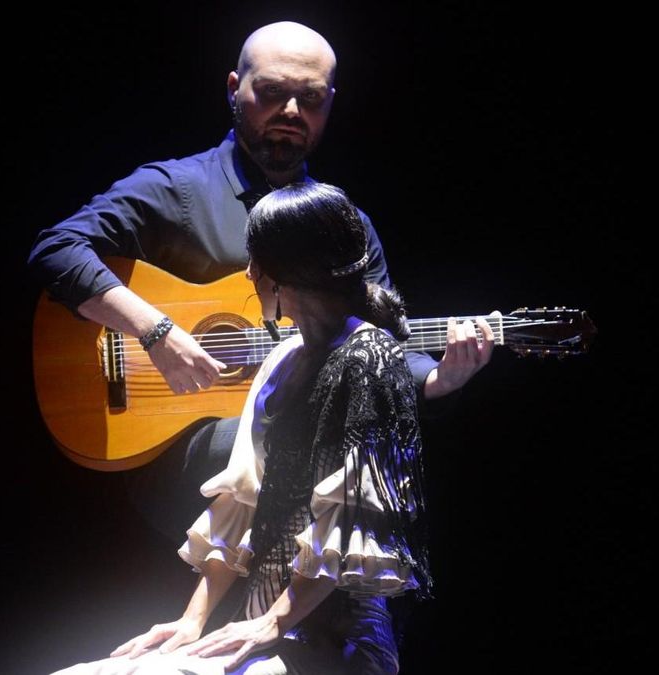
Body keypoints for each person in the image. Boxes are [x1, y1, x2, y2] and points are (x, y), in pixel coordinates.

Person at [27, 21, 492, 541]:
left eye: (311, 98)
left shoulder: (347, 227)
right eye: (272, 93)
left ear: (330, 103)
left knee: (345, 443)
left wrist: (439, 381)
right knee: (297, 438)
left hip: (284, 456)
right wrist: (156, 332)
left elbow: (383, 341)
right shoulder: (177, 189)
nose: (292, 112)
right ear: (235, 89)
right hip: (184, 452)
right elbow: (56, 250)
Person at [55, 182, 486, 675]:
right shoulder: (283, 356)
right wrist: (193, 621)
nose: (248, 273)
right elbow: (244, 501)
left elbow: (349, 523)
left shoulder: (369, 358)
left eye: (255, 261)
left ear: (286, 275)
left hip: (332, 636)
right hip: (268, 619)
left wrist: (273, 624)